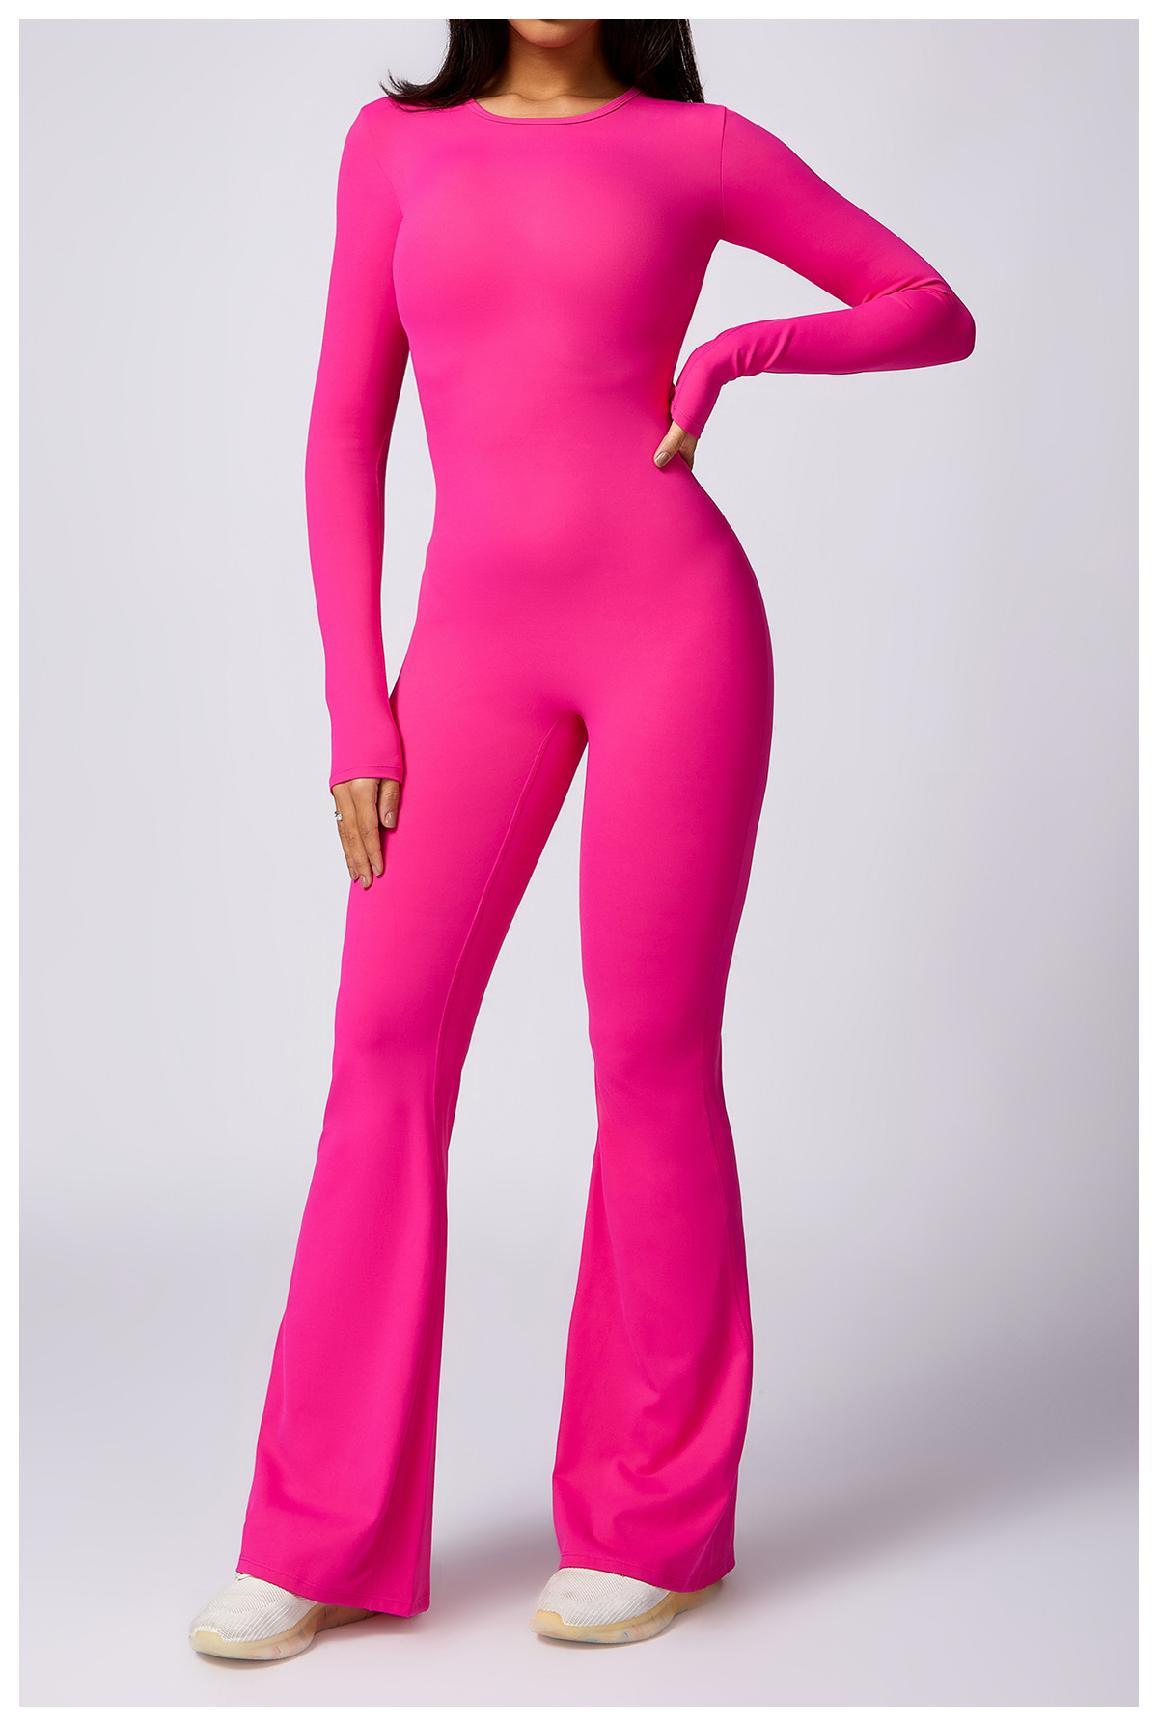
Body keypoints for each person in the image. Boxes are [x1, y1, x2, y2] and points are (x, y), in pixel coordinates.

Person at [189, 18, 975, 1659]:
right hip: (466, 657)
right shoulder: (393, 147)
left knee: (651, 1056)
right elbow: (342, 429)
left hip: (674, 630)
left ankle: (651, 1519)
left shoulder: (697, 150)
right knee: (382, 1049)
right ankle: (315, 1530)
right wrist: (357, 709)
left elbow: (929, 306)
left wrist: (737, 352)